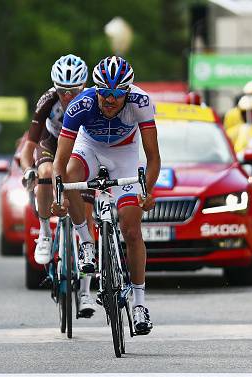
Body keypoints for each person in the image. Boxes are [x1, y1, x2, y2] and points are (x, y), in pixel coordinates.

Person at [51, 56, 160, 335]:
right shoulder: (81, 106)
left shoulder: (141, 103)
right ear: (96, 89)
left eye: (118, 93)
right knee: (73, 175)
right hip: (90, 147)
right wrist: (58, 193)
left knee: (132, 229)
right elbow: (59, 163)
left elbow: (153, 158)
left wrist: (147, 191)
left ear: (128, 91)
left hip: (125, 154)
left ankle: (139, 304)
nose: (111, 100)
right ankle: (87, 242)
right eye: (105, 93)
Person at [18, 54, 97, 317]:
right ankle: (44, 232)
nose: (67, 96)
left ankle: (86, 292)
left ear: (83, 86)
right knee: (45, 171)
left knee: (85, 215)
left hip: (79, 146)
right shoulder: (48, 101)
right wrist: (28, 169)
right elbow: (29, 146)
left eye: (73, 91)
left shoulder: (92, 100)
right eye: (62, 90)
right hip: (52, 143)